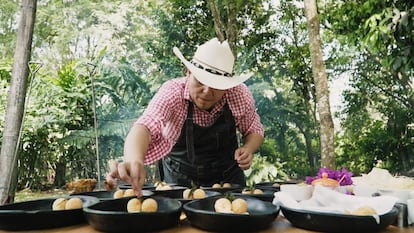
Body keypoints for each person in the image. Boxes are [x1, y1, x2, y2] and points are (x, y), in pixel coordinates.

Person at [106, 38, 264, 195]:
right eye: (201, 81)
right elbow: (145, 126)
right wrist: (134, 160)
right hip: (179, 180)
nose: (207, 91)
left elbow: (254, 128)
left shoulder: (238, 93)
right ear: (189, 73)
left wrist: (248, 148)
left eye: (216, 85)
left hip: (228, 179)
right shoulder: (173, 92)